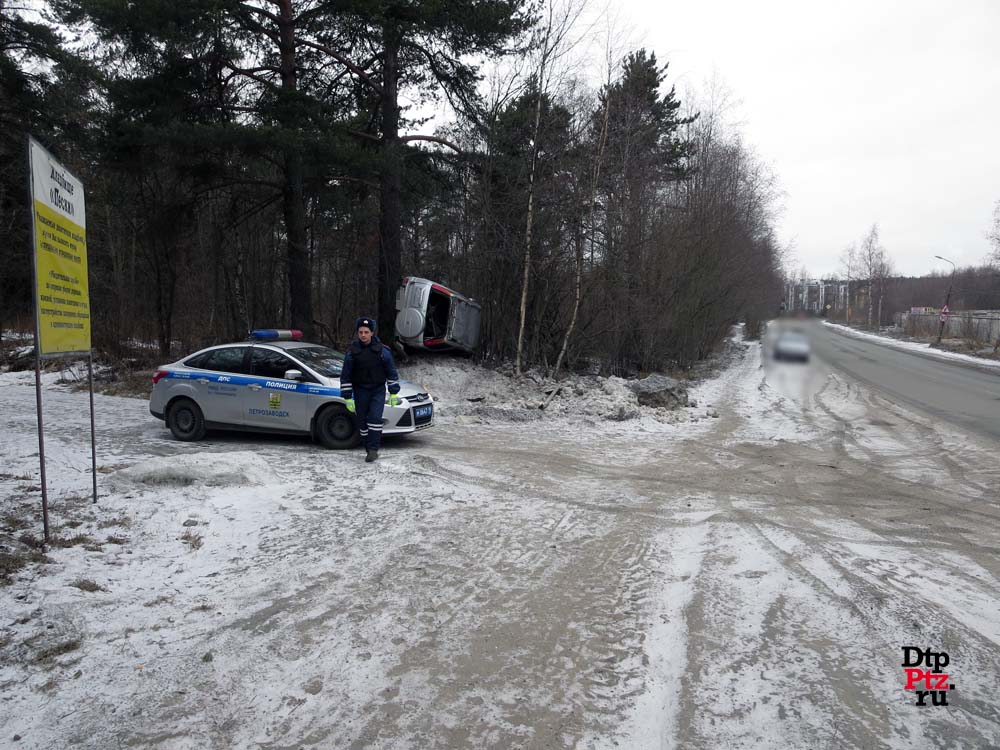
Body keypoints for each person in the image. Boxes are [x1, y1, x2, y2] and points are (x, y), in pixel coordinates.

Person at [339, 317, 401, 462]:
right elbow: (345, 376)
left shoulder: (382, 351)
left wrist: (393, 393)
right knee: (362, 422)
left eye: (366, 332)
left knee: (374, 418)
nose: (363, 335)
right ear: (357, 333)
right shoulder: (352, 353)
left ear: (372, 333)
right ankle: (368, 447)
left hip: (377, 390)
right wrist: (347, 397)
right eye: (360, 332)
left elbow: (391, 372)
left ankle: (373, 449)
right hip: (360, 391)